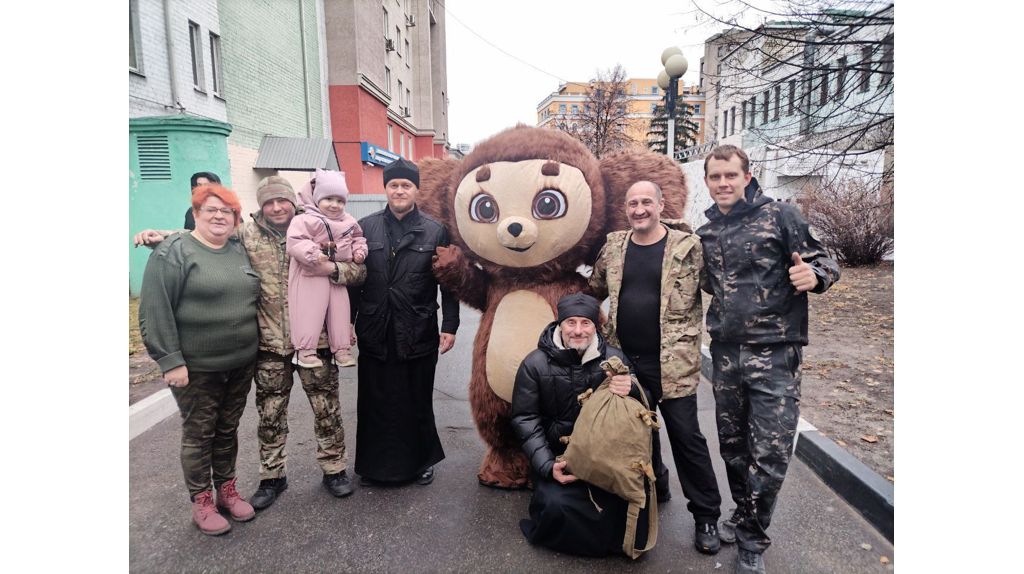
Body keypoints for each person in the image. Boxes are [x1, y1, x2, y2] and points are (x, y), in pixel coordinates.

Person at [134, 176, 365, 509]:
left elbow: (358, 270)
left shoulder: (320, 225)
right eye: (268, 202)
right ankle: (272, 477)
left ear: (293, 201)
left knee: (327, 410)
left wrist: (331, 269)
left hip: (319, 341)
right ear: (261, 205)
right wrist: (164, 236)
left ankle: (334, 470)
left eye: (282, 200)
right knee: (270, 415)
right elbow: (203, 236)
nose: (276, 207)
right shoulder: (246, 235)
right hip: (270, 346)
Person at [698, 145, 841, 574]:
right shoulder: (706, 233)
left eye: (730, 175)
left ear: (747, 176)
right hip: (725, 355)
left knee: (772, 451)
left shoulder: (782, 216)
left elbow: (827, 261)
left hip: (776, 355)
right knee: (734, 448)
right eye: (715, 177)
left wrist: (814, 276)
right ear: (707, 181)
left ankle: (752, 541)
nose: (723, 183)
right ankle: (742, 513)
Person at [589, 180, 723, 555]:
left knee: (687, 439)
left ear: (661, 205)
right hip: (625, 364)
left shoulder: (689, 249)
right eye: (633, 203)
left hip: (674, 364)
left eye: (646, 201)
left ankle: (707, 515)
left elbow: (724, 288)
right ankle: (657, 485)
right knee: (638, 434)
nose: (639, 209)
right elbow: (593, 290)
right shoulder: (614, 247)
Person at [139, 184, 258, 535]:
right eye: (211, 210)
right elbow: (154, 309)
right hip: (196, 368)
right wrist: (170, 360)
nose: (219, 216)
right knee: (198, 433)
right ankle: (201, 500)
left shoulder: (239, 248)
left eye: (227, 211)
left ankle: (226, 491)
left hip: (240, 362)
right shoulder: (173, 252)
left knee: (227, 430)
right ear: (196, 214)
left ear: (236, 218)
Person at [510, 293, 650, 557]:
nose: (577, 330)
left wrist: (631, 388)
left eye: (585, 323)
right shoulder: (534, 363)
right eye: (570, 322)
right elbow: (525, 419)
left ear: (595, 326)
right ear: (559, 324)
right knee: (558, 506)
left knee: (626, 507)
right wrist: (547, 466)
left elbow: (645, 405)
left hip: (606, 456)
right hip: (558, 456)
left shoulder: (615, 359)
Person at [348, 157, 459, 486]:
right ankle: (373, 466)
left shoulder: (435, 229)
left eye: (405, 185)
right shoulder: (364, 228)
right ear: (386, 189)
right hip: (375, 327)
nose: (399, 190)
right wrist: (345, 325)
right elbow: (355, 282)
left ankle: (421, 461)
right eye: (393, 185)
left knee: (417, 399)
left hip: (417, 327)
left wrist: (449, 326)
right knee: (375, 399)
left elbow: (448, 283)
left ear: (415, 189)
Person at [286, 169, 367, 369]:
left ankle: (341, 349)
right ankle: (304, 350)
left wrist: (360, 251)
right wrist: (314, 253)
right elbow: (296, 242)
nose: (334, 205)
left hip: (336, 274)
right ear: (316, 199)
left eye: (340, 201)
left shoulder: (348, 221)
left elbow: (358, 238)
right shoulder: (305, 219)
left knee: (340, 310)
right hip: (310, 272)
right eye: (328, 199)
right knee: (309, 309)